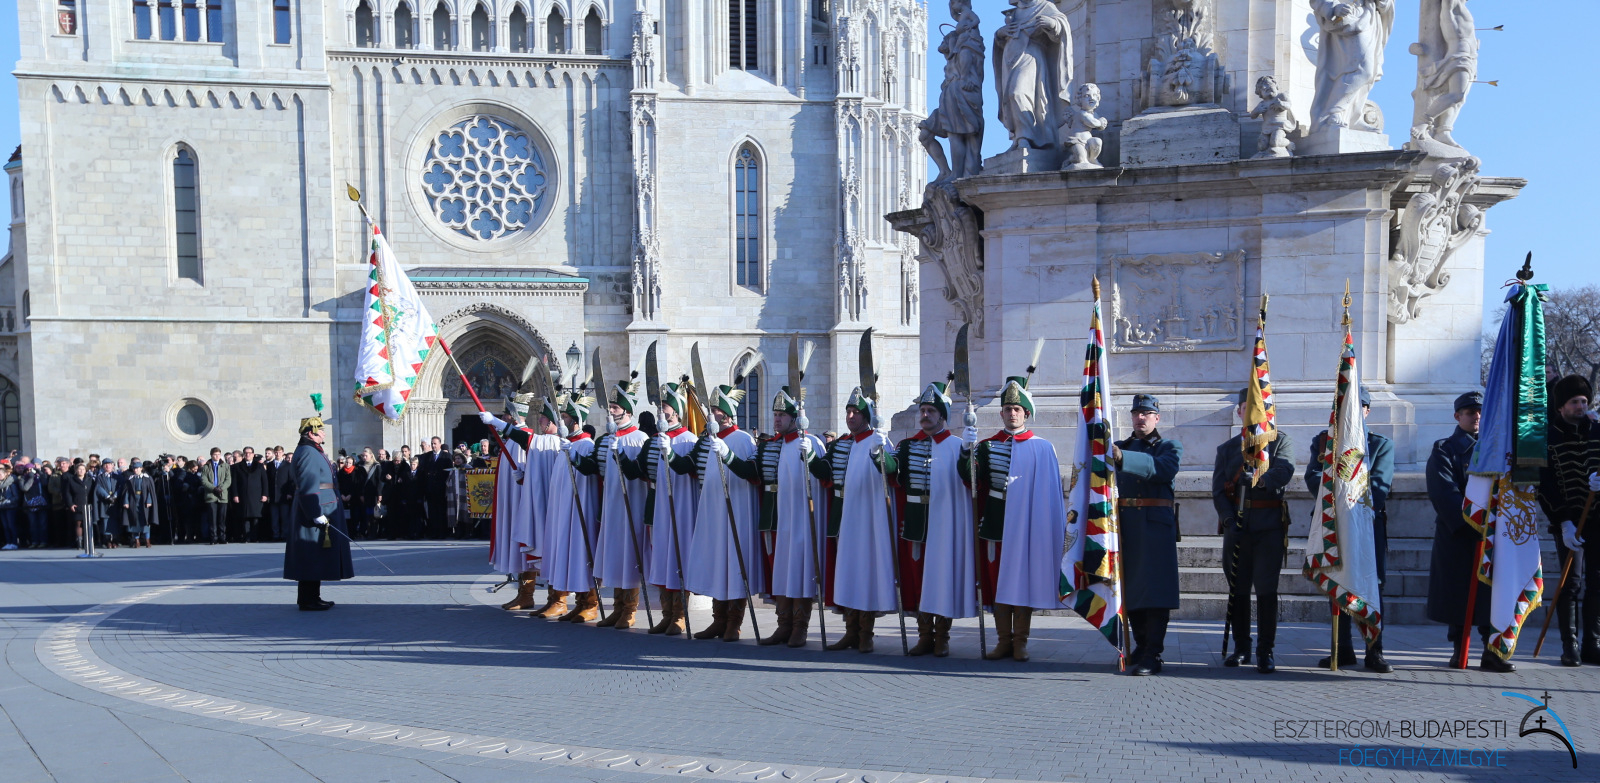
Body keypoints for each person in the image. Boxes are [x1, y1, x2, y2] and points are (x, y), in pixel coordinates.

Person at [962, 373, 1066, 662]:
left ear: (1026, 413)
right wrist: (966, 451)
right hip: (996, 522)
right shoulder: (987, 446)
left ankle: (1020, 641)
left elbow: (1049, 493)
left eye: (1017, 409)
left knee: (1023, 582)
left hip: (1028, 524)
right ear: (1001, 413)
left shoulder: (1042, 447)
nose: (1012, 414)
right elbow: (971, 480)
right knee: (998, 581)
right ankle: (1003, 641)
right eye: (1007, 409)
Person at [880, 380, 976, 657]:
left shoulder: (957, 445)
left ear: (942, 415)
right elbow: (891, 470)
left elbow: (970, 478)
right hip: (914, 522)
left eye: (931, 411)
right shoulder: (907, 446)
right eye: (922, 410)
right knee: (917, 577)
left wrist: (968, 451)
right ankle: (924, 635)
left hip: (945, 523)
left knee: (942, 578)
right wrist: (878, 451)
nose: (925, 415)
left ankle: (942, 636)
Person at [1304, 386, 1395, 673]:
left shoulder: (1380, 445)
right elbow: (1313, 476)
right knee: (1336, 579)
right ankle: (1341, 649)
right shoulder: (1323, 442)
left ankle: (1374, 651)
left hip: (1366, 525)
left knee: (1372, 585)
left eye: (1359, 408)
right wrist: (1335, 500)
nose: (1353, 412)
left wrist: (1347, 500)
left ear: (1367, 411)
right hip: (1332, 522)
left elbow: (1379, 486)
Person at [729, 385, 825, 647]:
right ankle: (784, 625)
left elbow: (823, 478)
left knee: (800, 570)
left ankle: (800, 627)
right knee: (780, 570)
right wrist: (726, 456)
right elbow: (751, 473)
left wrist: (811, 456)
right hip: (775, 516)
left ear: (795, 418)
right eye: (775, 414)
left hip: (801, 517)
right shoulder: (769, 446)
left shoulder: (811, 442)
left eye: (782, 415)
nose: (777, 419)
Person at [1213, 388, 1297, 674]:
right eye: (1245, 408)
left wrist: (1260, 479)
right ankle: (1241, 648)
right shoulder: (1226, 449)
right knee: (1238, 590)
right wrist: (1228, 520)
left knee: (1266, 590)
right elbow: (1218, 491)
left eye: (1255, 409)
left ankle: (1265, 650)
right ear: (1239, 412)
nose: (1250, 414)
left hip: (1268, 527)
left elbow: (1285, 471)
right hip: (1237, 528)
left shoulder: (1279, 441)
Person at [1425, 392, 1505, 670]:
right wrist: (1469, 523)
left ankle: (1492, 650)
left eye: (1481, 411)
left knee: (1492, 594)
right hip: (1459, 533)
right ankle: (1460, 647)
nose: (1477, 416)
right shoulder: (1444, 449)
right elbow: (1443, 490)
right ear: (1458, 416)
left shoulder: (1498, 447)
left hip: (1493, 532)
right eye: (1470, 412)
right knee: (1458, 593)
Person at [680, 382, 762, 641]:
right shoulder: (707, 440)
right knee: (717, 561)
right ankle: (719, 620)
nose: (711, 414)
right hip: (713, 508)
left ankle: (733, 623)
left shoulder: (743, 439)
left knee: (734, 563)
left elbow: (750, 473)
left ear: (727, 413)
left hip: (736, 508)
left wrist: (727, 455)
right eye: (711, 409)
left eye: (716, 410)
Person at [1113, 394, 1183, 675]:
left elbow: (1163, 469)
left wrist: (1122, 458)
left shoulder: (1169, 446)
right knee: (1131, 589)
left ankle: (1153, 652)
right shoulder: (1120, 447)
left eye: (1146, 413)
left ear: (1157, 418)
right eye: (1136, 413)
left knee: (1156, 591)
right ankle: (1141, 645)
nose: (1140, 418)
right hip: (1126, 526)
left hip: (1155, 527)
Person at [1538, 376, 1600, 667]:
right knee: (1570, 583)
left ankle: (1592, 643)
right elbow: (1545, 485)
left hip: (1598, 519)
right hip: (1569, 522)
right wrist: (1563, 522)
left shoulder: (1598, 432)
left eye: (1584, 401)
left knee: (1597, 582)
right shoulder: (1549, 438)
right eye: (1574, 402)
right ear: (1561, 407)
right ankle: (1569, 644)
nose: (1580, 406)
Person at [578, 378, 650, 629]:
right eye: (610, 407)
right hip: (612, 504)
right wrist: (574, 455)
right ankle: (618, 606)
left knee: (630, 554)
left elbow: (642, 472)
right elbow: (596, 469)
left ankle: (629, 609)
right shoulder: (606, 439)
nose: (610, 410)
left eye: (615, 407)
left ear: (627, 411)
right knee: (616, 554)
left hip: (634, 503)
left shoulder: (640, 438)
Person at [631, 382, 700, 635]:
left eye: (666, 407)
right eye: (660, 407)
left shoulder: (689, 439)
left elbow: (689, 470)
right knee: (661, 558)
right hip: (659, 506)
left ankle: (679, 616)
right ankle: (666, 614)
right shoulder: (655, 440)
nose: (661, 411)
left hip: (682, 506)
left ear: (677, 411)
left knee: (679, 558)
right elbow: (641, 471)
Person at [284, 407, 354, 610]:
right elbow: (308, 485)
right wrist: (315, 513)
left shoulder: (312, 450)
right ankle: (308, 599)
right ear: (310, 433)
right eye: (320, 430)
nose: (323, 433)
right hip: (315, 509)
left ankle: (313, 596)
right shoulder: (308, 453)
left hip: (321, 505)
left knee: (315, 555)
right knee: (310, 555)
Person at [547, 390, 602, 622]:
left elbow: (589, 472)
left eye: (566, 418)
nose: (562, 422)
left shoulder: (586, 445)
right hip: (565, 508)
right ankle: (579, 602)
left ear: (576, 420)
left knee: (582, 551)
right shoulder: (567, 444)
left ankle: (590, 603)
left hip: (582, 507)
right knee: (570, 551)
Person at [418, 436, 452, 539]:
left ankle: (443, 532)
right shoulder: (427, 456)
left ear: (440, 444)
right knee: (432, 511)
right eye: (432, 444)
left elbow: (449, 472)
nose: (433, 446)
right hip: (430, 488)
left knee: (441, 511)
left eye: (435, 443)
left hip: (441, 488)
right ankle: (433, 532)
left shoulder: (446, 456)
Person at [232, 447, 269, 542]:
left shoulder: (259, 466)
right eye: (246, 453)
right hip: (243, 495)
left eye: (249, 453)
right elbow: (234, 482)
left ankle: (254, 537)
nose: (247, 454)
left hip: (256, 495)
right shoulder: (238, 466)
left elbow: (264, 481)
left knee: (255, 517)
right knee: (245, 517)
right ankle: (246, 537)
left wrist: (265, 494)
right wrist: (235, 494)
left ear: (253, 454)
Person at [120, 459, 158, 548]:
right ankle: (136, 541)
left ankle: (147, 540)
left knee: (145, 521)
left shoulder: (147, 478)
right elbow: (126, 492)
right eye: (134, 469)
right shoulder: (131, 479)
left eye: (137, 468)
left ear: (141, 468)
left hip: (144, 501)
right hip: (134, 501)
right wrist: (126, 502)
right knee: (134, 521)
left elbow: (150, 491)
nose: (135, 470)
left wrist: (149, 501)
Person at [201, 448, 231, 544]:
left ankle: (222, 537)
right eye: (215, 454)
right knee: (212, 518)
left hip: (222, 495)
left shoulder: (225, 466)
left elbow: (228, 480)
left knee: (222, 518)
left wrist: (221, 488)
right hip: (211, 495)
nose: (217, 456)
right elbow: (204, 480)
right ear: (211, 455)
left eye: (218, 454)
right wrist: (213, 488)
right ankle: (213, 537)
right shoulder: (206, 466)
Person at [17, 462, 50, 548]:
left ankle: (43, 541)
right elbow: (25, 488)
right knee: (33, 524)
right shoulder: (22, 478)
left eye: (31, 470)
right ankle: (34, 541)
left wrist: (40, 472)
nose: (29, 471)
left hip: (41, 504)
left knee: (43, 524)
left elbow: (45, 484)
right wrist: (31, 478)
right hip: (29, 505)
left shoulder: (39, 478)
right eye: (27, 470)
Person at [267, 446, 294, 542]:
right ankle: (276, 534)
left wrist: (289, 492)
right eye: (276, 452)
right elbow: (267, 481)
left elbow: (291, 480)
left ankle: (284, 535)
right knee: (274, 517)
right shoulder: (270, 465)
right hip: (273, 495)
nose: (278, 454)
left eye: (279, 452)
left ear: (283, 453)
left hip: (284, 495)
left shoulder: (288, 465)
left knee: (284, 517)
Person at [92, 461, 121, 548]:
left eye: (109, 464)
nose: (108, 466)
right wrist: (107, 496)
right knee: (105, 521)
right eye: (105, 465)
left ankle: (115, 540)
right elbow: (98, 488)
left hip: (115, 502)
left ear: (113, 466)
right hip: (105, 502)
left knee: (115, 521)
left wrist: (115, 496)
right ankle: (107, 540)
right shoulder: (100, 477)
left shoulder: (118, 476)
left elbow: (121, 487)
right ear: (103, 466)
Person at [65, 461, 93, 549]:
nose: (81, 471)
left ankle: (88, 542)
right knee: (78, 523)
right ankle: (79, 542)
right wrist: (71, 504)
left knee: (87, 524)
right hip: (77, 504)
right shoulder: (71, 480)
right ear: (76, 470)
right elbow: (67, 494)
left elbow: (93, 493)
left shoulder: (90, 480)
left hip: (88, 505)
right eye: (79, 469)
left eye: (83, 469)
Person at [0, 463, 18, 550]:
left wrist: (6, 502)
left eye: (0, 474)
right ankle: (8, 542)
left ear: (5, 474)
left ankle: (14, 542)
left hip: (10, 507)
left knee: (11, 525)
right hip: (2, 507)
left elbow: (16, 497)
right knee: (5, 526)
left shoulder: (11, 484)